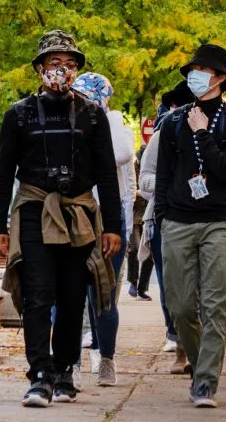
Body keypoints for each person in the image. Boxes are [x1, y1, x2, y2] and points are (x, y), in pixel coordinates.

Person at [0, 31, 122, 408]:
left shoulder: (94, 116)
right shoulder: (18, 115)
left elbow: (107, 174)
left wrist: (111, 225)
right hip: (33, 211)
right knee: (37, 294)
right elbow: (3, 173)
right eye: (54, 63)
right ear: (39, 68)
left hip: (78, 213)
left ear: (77, 70)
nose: (61, 71)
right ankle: (40, 375)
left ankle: (64, 370)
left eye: (69, 64)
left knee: (72, 294)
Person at [154, 44, 226, 408]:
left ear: (221, 78)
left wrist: (201, 133)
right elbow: (163, 175)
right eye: (192, 69)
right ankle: (200, 365)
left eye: (203, 70)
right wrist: (162, 218)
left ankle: (206, 383)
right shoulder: (172, 122)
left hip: (219, 221)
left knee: (214, 304)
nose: (196, 75)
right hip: (177, 221)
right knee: (179, 307)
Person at [73, 72, 136, 388]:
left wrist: (107, 117)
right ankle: (72, 361)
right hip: (73, 218)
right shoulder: (68, 123)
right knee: (73, 293)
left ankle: (106, 359)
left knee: (104, 294)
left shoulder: (115, 123)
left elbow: (122, 155)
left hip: (109, 220)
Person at [138, 80, 194, 375]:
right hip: (166, 218)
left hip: (205, 219)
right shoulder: (163, 135)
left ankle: (197, 350)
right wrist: (172, 186)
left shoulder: (217, 132)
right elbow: (144, 181)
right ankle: (177, 343)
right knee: (172, 287)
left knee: (200, 289)